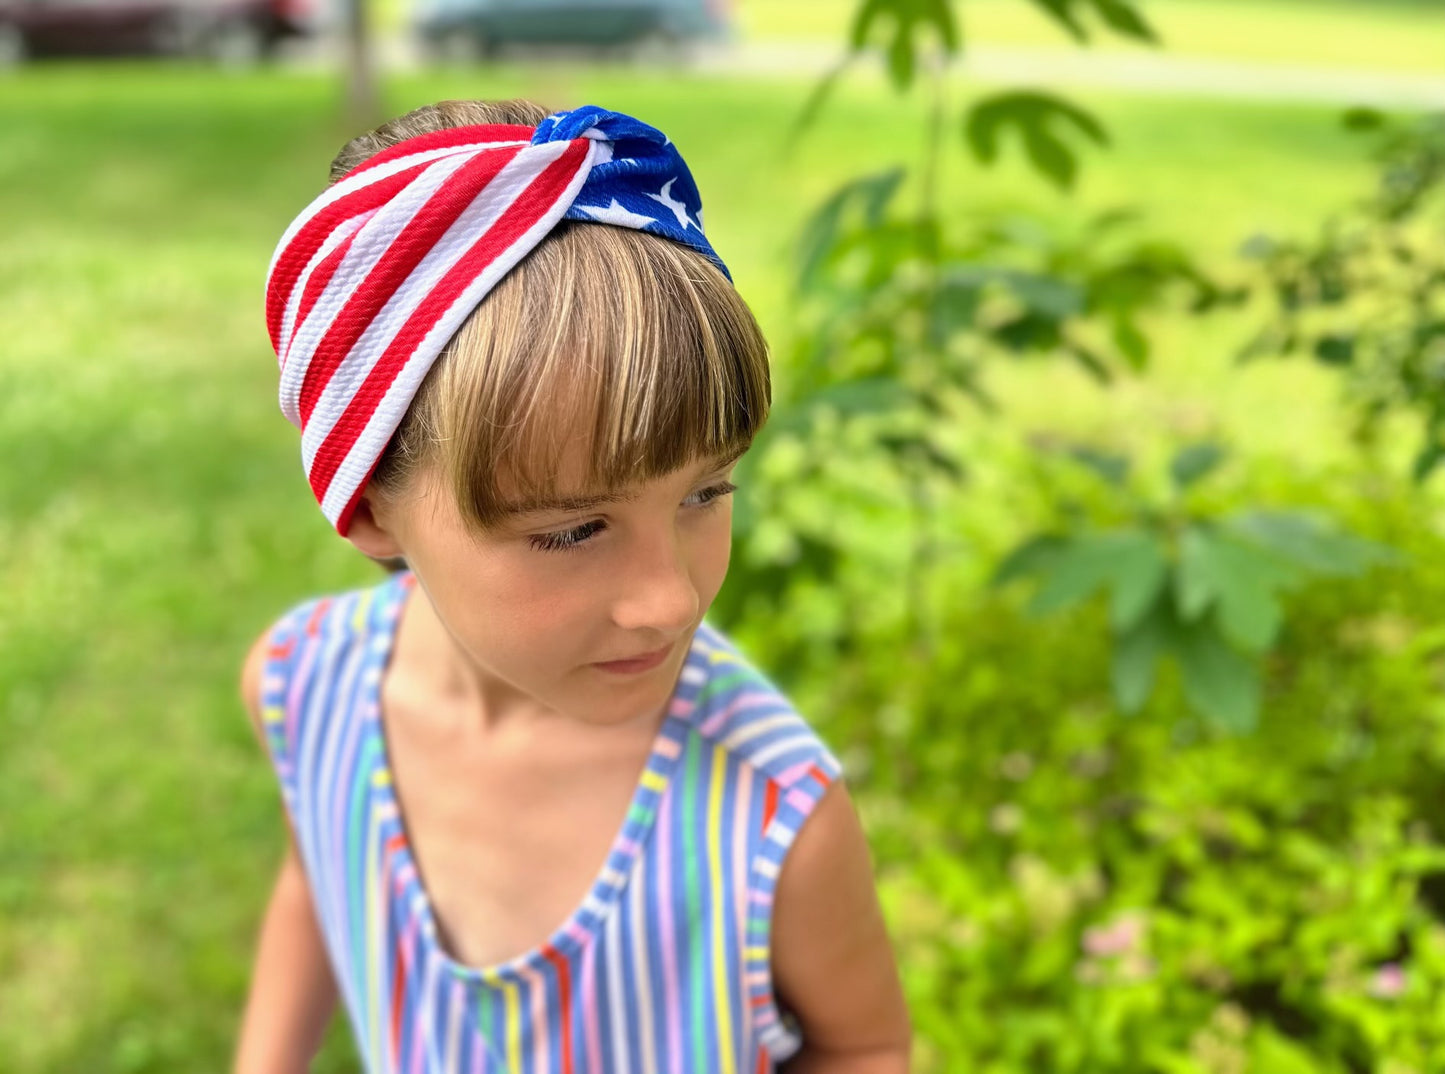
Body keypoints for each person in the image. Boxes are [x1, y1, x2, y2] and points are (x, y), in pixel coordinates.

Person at [232, 97, 912, 1074]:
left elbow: (864, 1045)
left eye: (706, 491)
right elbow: (321, 879)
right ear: (372, 502)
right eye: (574, 529)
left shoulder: (768, 820)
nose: (670, 601)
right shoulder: (303, 693)